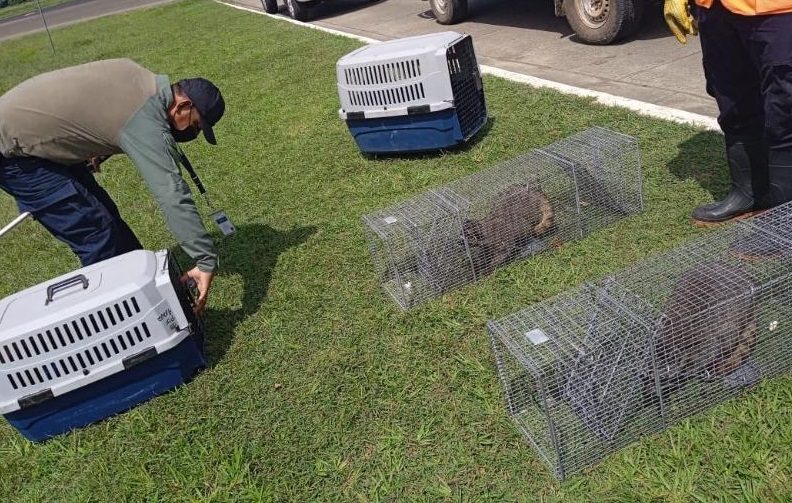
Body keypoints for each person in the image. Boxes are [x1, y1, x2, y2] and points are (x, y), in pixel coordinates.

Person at [0, 58, 225, 313]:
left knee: (110, 222)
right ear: (183, 106)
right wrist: (206, 260)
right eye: (195, 126)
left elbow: (93, 107)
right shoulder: (147, 119)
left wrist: (90, 145)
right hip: (15, 155)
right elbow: (172, 194)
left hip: (32, 139)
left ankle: (145, 303)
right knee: (98, 234)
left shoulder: (137, 75)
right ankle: (116, 321)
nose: (191, 135)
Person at [663, 0, 792, 226]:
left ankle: (783, 217)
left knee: (784, 111)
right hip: (715, 9)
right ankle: (748, 193)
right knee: (733, 100)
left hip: (778, 10)